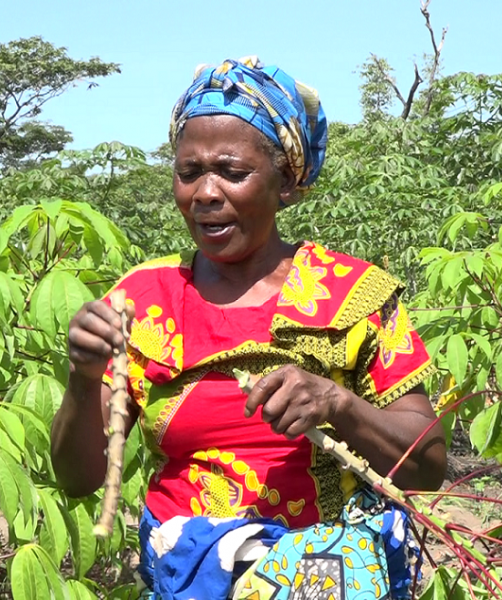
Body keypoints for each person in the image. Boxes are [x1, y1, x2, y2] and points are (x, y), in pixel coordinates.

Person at [51, 56, 447, 600]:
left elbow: (428, 466)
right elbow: (78, 479)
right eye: (189, 172)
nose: (206, 192)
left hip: (326, 578)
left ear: (285, 181)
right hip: (184, 576)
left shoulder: (352, 296)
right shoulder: (143, 300)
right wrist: (83, 375)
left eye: (232, 173)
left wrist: (339, 405)